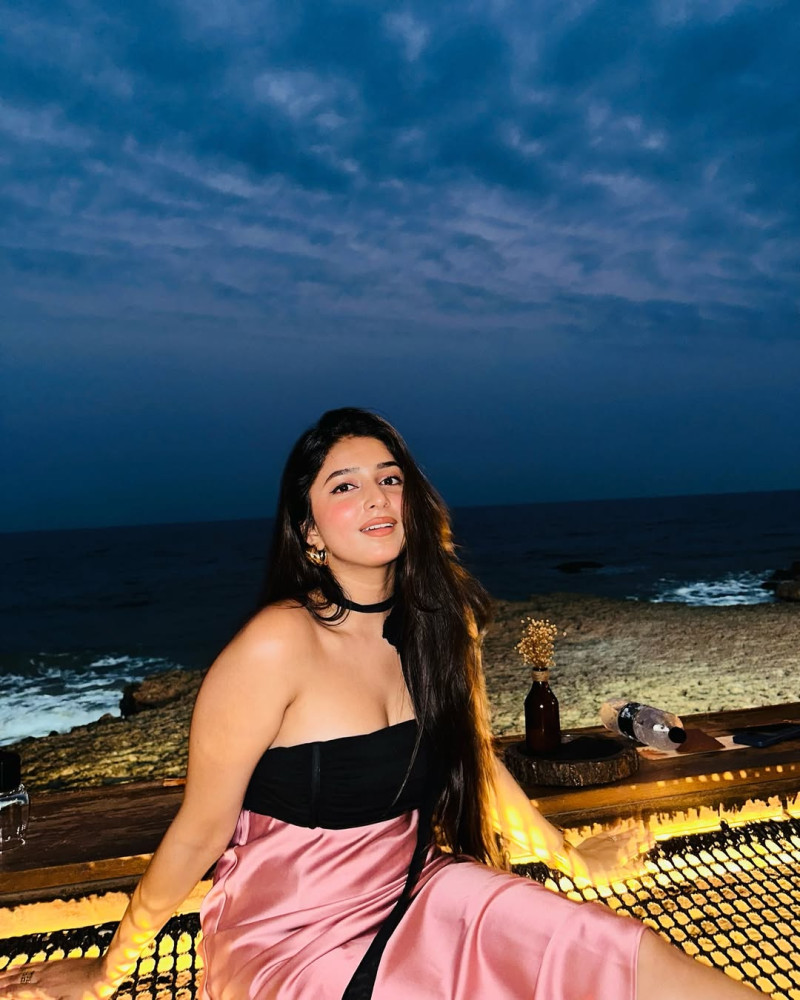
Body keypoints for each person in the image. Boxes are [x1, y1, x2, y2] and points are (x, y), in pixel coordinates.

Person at [0, 408, 760, 1000]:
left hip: (419, 886)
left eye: (389, 479)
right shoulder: (276, 645)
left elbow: (477, 765)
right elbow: (199, 833)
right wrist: (107, 971)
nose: (377, 497)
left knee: (622, 952)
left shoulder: (440, 625)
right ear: (309, 531)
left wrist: (570, 858)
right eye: (345, 485)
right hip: (293, 934)